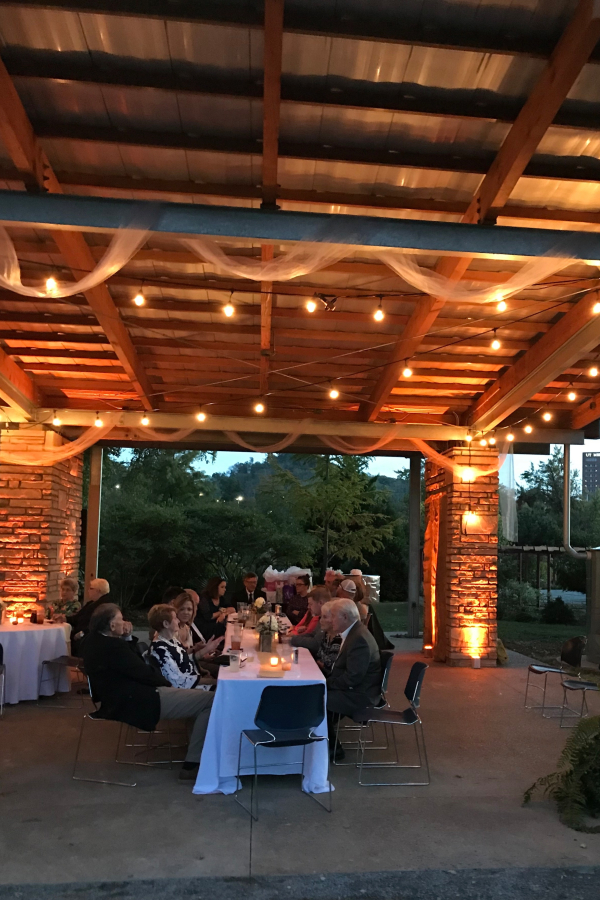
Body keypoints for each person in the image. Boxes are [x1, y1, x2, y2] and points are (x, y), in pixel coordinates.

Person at [82, 603, 213, 781]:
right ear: (112, 626)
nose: (125, 623)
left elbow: (133, 665)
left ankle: (196, 753)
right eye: (121, 620)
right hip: (139, 700)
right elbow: (142, 671)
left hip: (115, 698)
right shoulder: (113, 647)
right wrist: (167, 685)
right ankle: (193, 764)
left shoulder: (93, 641)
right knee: (210, 700)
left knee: (198, 700)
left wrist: (127, 638)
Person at [326, 598, 381, 759]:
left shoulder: (359, 639)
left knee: (316, 700)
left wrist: (327, 683)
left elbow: (353, 678)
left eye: (333, 615)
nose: (330, 619)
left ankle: (333, 748)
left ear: (345, 617)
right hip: (357, 689)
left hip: (360, 696)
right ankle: (328, 744)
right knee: (317, 696)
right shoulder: (355, 632)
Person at [148, 605, 214, 691]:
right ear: (166, 624)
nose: (178, 620)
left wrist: (201, 670)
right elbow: (180, 682)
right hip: (186, 692)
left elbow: (183, 659)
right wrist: (212, 681)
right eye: (175, 618)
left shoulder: (172, 640)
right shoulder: (160, 650)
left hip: (194, 683)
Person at [171, 589, 224, 677]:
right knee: (222, 671)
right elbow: (179, 660)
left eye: (189, 609)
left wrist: (196, 648)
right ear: (175, 610)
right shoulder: (172, 631)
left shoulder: (186, 627)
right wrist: (204, 651)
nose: (186, 612)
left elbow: (186, 653)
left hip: (193, 664)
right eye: (182, 609)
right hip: (183, 673)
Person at [66, 577, 111, 654]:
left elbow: (98, 624)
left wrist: (82, 633)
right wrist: (65, 619)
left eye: (91, 588)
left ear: (98, 590)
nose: (88, 590)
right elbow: (77, 618)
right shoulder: (91, 603)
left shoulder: (104, 606)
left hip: (90, 638)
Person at [314, 599, 342, 677]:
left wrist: (322, 665)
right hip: (320, 674)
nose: (321, 621)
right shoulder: (326, 634)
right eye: (321, 617)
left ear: (334, 619)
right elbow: (319, 657)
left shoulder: (340, 639)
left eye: (325, 617)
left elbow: (333, 667)